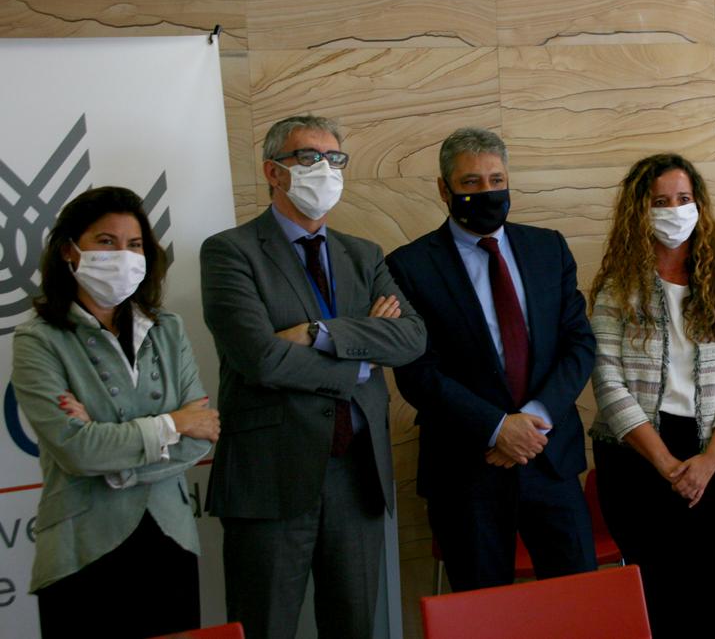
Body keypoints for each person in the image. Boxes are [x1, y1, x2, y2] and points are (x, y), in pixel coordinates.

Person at [200, 115, 426, 638]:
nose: (325, 169)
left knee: (353, 626)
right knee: (265, 626)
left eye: (334, 158)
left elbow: (412, 339)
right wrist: (363, 354)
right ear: (273, 172)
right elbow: (258, 357)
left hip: (357, 475)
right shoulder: (229, 251)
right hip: (271, 477)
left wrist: (318, 331)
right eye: (308, 157)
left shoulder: (362, 254)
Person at [386, 127, 597, 591]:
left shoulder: (548, 248)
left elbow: (579, 344)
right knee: (484, 615)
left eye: (496, 180)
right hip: (467, 471)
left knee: (581, 605)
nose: (487, 192)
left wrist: (534, 420)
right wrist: (499, 428)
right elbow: (417, 373)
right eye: (471, 183)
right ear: (445, 189)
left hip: (550, 459)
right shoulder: (408, 265)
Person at [11, 186, 219, 638]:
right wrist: (170, 423)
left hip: (170, 540)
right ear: (69, 249)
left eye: (134, 244)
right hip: (81, 548)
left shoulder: (167, 328)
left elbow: (201, 436)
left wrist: (114, 451)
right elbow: (77, 453)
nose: (123, 255)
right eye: (106, 242)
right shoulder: (39, 341)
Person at [588, 153, 715, 638]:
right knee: (657, 602)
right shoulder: (616, 291)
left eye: (684, 199)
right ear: (638, 212)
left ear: (699, 206)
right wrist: (666, 464)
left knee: (709, 602)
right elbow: (606, 380)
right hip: (638, 460)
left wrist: (707, 462)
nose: (674, 210)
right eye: (660, 201)